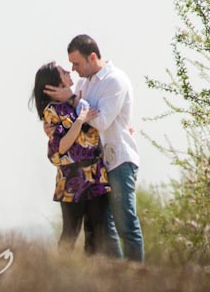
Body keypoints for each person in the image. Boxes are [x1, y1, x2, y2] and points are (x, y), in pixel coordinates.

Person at [44, 34, 144, 263]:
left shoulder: (115, 81)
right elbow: (73, 119)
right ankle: (117, 275)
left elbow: (101, 121)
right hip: (96, 168)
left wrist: (73, 100)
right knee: (104, 229)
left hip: (118, 160)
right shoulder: (82, 85)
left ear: (92, 57)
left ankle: (139, 280)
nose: (73, 68)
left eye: (76, 63)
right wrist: (50, 125)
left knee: (125, 223)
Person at [32, 61, 113, 255]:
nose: (69, 71)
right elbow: (62, 146)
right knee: (70, 232)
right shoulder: (52, 111)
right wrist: (80, 120)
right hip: (72, 178)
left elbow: (101, 122)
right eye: (62, 71)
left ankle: (94, 277)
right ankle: (62, 275)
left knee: (96, 232)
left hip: (96, 175)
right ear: (55, 82)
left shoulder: (78, 99)